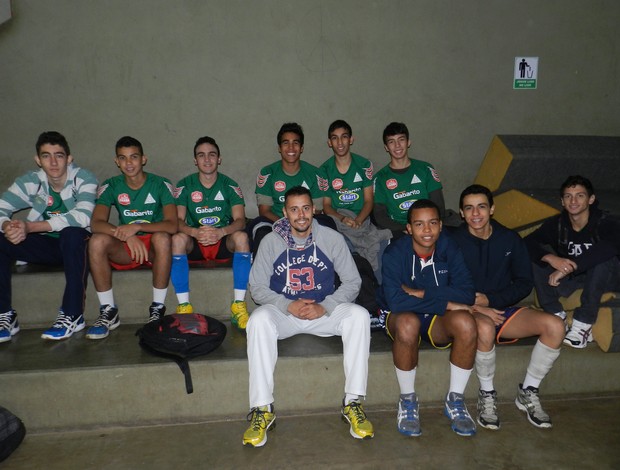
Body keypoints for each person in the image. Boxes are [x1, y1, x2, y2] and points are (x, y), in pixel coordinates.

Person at [243, 186, 373, 447]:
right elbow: (256, 288)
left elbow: (352, 282)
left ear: (313, 209)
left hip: (323, 310)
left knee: (359, 316)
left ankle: (353, 402)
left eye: (305, 208)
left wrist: (326, 305)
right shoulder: (271, 241)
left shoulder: (331, 238)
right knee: (257, 320)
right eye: (294, 209)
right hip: (285, 313)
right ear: (285, 212)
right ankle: (262, 408)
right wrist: (286, 304)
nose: (300, 215)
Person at [452, 184, 565, 430]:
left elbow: (524, 283)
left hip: (501, 309)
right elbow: (443, 284)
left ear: (491, 209)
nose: (475, 214)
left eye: (481, 206)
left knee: (555, 326)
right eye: (469, 208)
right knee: (484, 327)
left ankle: (529, 390)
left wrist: (491, 302)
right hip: (464, 311)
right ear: (461, 213)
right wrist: (478, 307)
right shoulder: (452, 241)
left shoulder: (509, 239)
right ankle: (487, 394)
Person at [379, 199, 477, 437]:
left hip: (436, 318)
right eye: (419, 224)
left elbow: (467, 293)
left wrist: (424, 293)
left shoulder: (448, 247)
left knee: (466, 322)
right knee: (407, 322)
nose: (426, 230)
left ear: (441, 225)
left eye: (432, 223)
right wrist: (447, 302)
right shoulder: (395, 252)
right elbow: (396, 301)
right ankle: (408, 400)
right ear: (409, 228)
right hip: (402, 317)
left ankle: (455, 400)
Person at [0, 131, 97, 341]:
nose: (53, 162)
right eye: (46, 156)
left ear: (69, 158)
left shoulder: (84, 178)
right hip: (48, 247)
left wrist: (30, 227)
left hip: (79, 247)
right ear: (38, 160)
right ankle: (5, 315)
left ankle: (73, 315)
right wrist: (8, 225)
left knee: (72, 233)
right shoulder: (30, 181)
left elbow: (83, 217)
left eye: (59, 155)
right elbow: (1, 208)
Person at [86, 136, 177, 339]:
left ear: (143, 159)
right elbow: (96, 223)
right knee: (97, 240)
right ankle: (108, 311)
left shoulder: (161, 184)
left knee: (163, 237)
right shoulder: (111, 186)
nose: (129, 163)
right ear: (117, 162)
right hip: (126, 248)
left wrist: (136, 227)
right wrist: (126, 236)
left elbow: (172, 225)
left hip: (153, 248)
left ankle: (157, 309)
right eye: (123, 158)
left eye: (134, 157)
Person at [525, 175, 620, 348]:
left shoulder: (607, 222)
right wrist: (551, 258)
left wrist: (570, 266)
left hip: (607, 278)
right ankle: (555, 313)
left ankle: (583, 325)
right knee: (537, 258)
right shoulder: (558, 224)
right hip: (574, 280)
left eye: (580, 195)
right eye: (568, 196)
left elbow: (610, 247)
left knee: (603, 259)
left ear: (591, 199)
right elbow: (527, 242)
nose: (573, 200)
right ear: (562, 201)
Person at [171, 136, 251, 329]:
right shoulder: (184, 185)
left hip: (222, 240)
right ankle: (184, 307)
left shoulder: (230, 185)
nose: (207, 160)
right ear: (195, 160)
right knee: (177, 239)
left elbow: (240, 220)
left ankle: (238, 307)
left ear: (219, 159)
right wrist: (195, 232)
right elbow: (177, 221)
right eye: (201, 155)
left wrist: (222, 231)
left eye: (211, 155)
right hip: (195, 240)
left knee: (242, 237)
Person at [249, 122, 332, 257]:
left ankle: (327, 274)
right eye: (286, 143)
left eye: (296, 143)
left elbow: (316, 210)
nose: (291, 147)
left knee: (327, 223)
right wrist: (286, 225)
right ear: (279, 148)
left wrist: (299, 223)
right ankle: (261, 276)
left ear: (302, 147)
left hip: (306, 222)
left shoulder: (316, 174)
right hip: (274, 222)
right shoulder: (267, 173)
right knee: (260, 229)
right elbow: (264, 210)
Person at [320, 120, 390, 278]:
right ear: (329, 142)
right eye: (335, 138)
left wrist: (358, 220)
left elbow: (368, 200)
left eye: (344, 137)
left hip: (362, 219)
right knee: (342, 245)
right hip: (339, 220)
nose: (340, 142)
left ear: (351, 139)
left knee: (379, 244)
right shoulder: (324, 170)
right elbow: (327, 206)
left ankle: (376, 288)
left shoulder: (364, 165)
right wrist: (343, 218)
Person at [373, 122, 445, 239]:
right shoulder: (380, 178)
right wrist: (405, 229)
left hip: (428, 229)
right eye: (391, 141)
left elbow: (439, 206)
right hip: (399, 231)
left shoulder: (426, 169)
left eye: (401, 139)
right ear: (386, 147)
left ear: (408, 142)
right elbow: (380, 216)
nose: (397, 145)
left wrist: (425, 227)